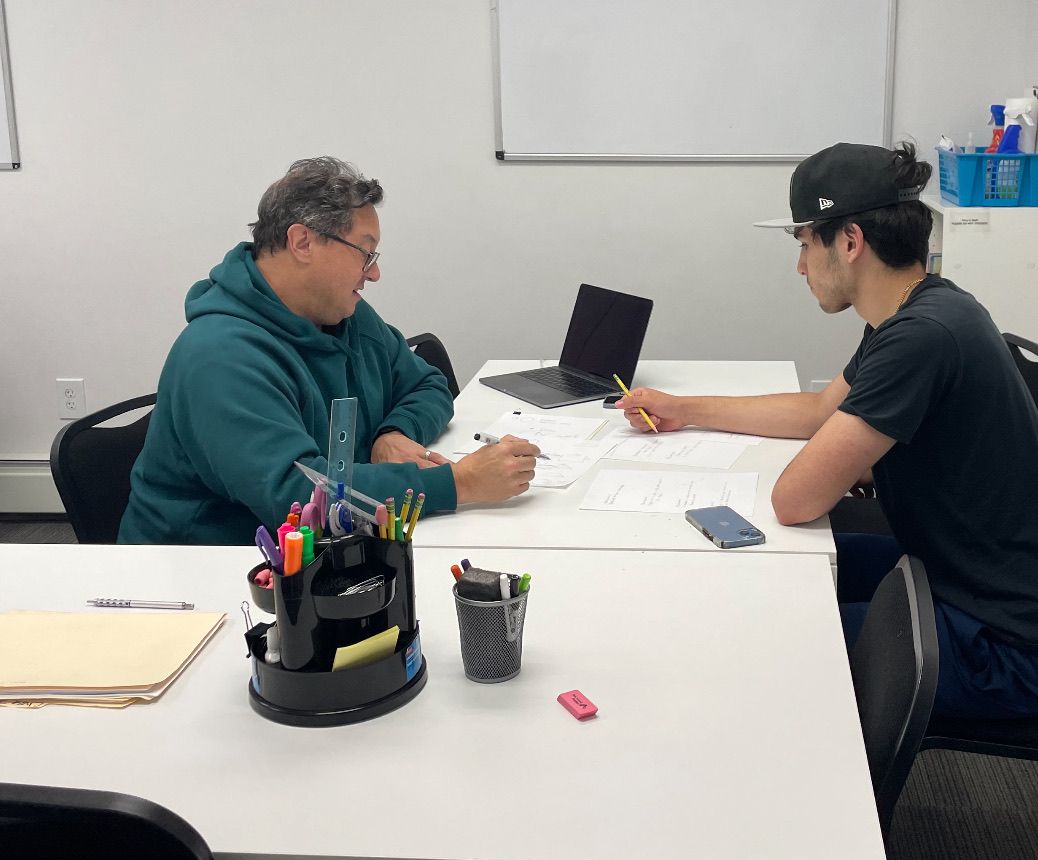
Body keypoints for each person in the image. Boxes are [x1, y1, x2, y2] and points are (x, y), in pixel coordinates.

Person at [617, 141, 1038, 719]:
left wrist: (834, 460)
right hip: (954, 573)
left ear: (849, 241)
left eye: (804, 245)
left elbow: (794, 500)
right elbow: (819, 413)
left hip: (1001, 641)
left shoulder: (921, 337)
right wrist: (685, 408)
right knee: (785, 582)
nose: (799, 267)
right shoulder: (922, 308)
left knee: (768, 635)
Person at [119, 156, 539, 545]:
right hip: (210, 573)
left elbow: (428, 383)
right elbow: (298, 495)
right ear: (302, 242)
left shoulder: (344, 316)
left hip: (332, 551)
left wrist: (392, 434)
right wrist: (459, 484)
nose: (373, 273)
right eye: (365, 253)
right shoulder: (220, 356)